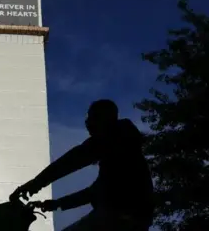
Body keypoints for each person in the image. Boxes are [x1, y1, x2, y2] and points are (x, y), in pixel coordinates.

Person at [9, 99, 154, 231]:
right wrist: (56, 204)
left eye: (92, 118)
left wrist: (35, 184)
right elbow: (92, 193)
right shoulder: (121, 158)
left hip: (118, 218)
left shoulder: (115, 138)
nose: (88, 124)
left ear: (105, 118)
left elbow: (73, 159)